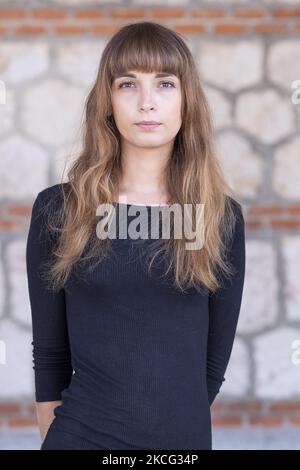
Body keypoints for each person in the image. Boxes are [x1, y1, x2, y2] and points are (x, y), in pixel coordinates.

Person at [26, 21, 246, 450]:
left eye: (165, 84)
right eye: (128, 84)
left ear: (187, 102)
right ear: (107, 102)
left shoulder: (221, 218)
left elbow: (212, 364)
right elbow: (50, 356)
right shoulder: (59, 210)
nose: (147, 103)